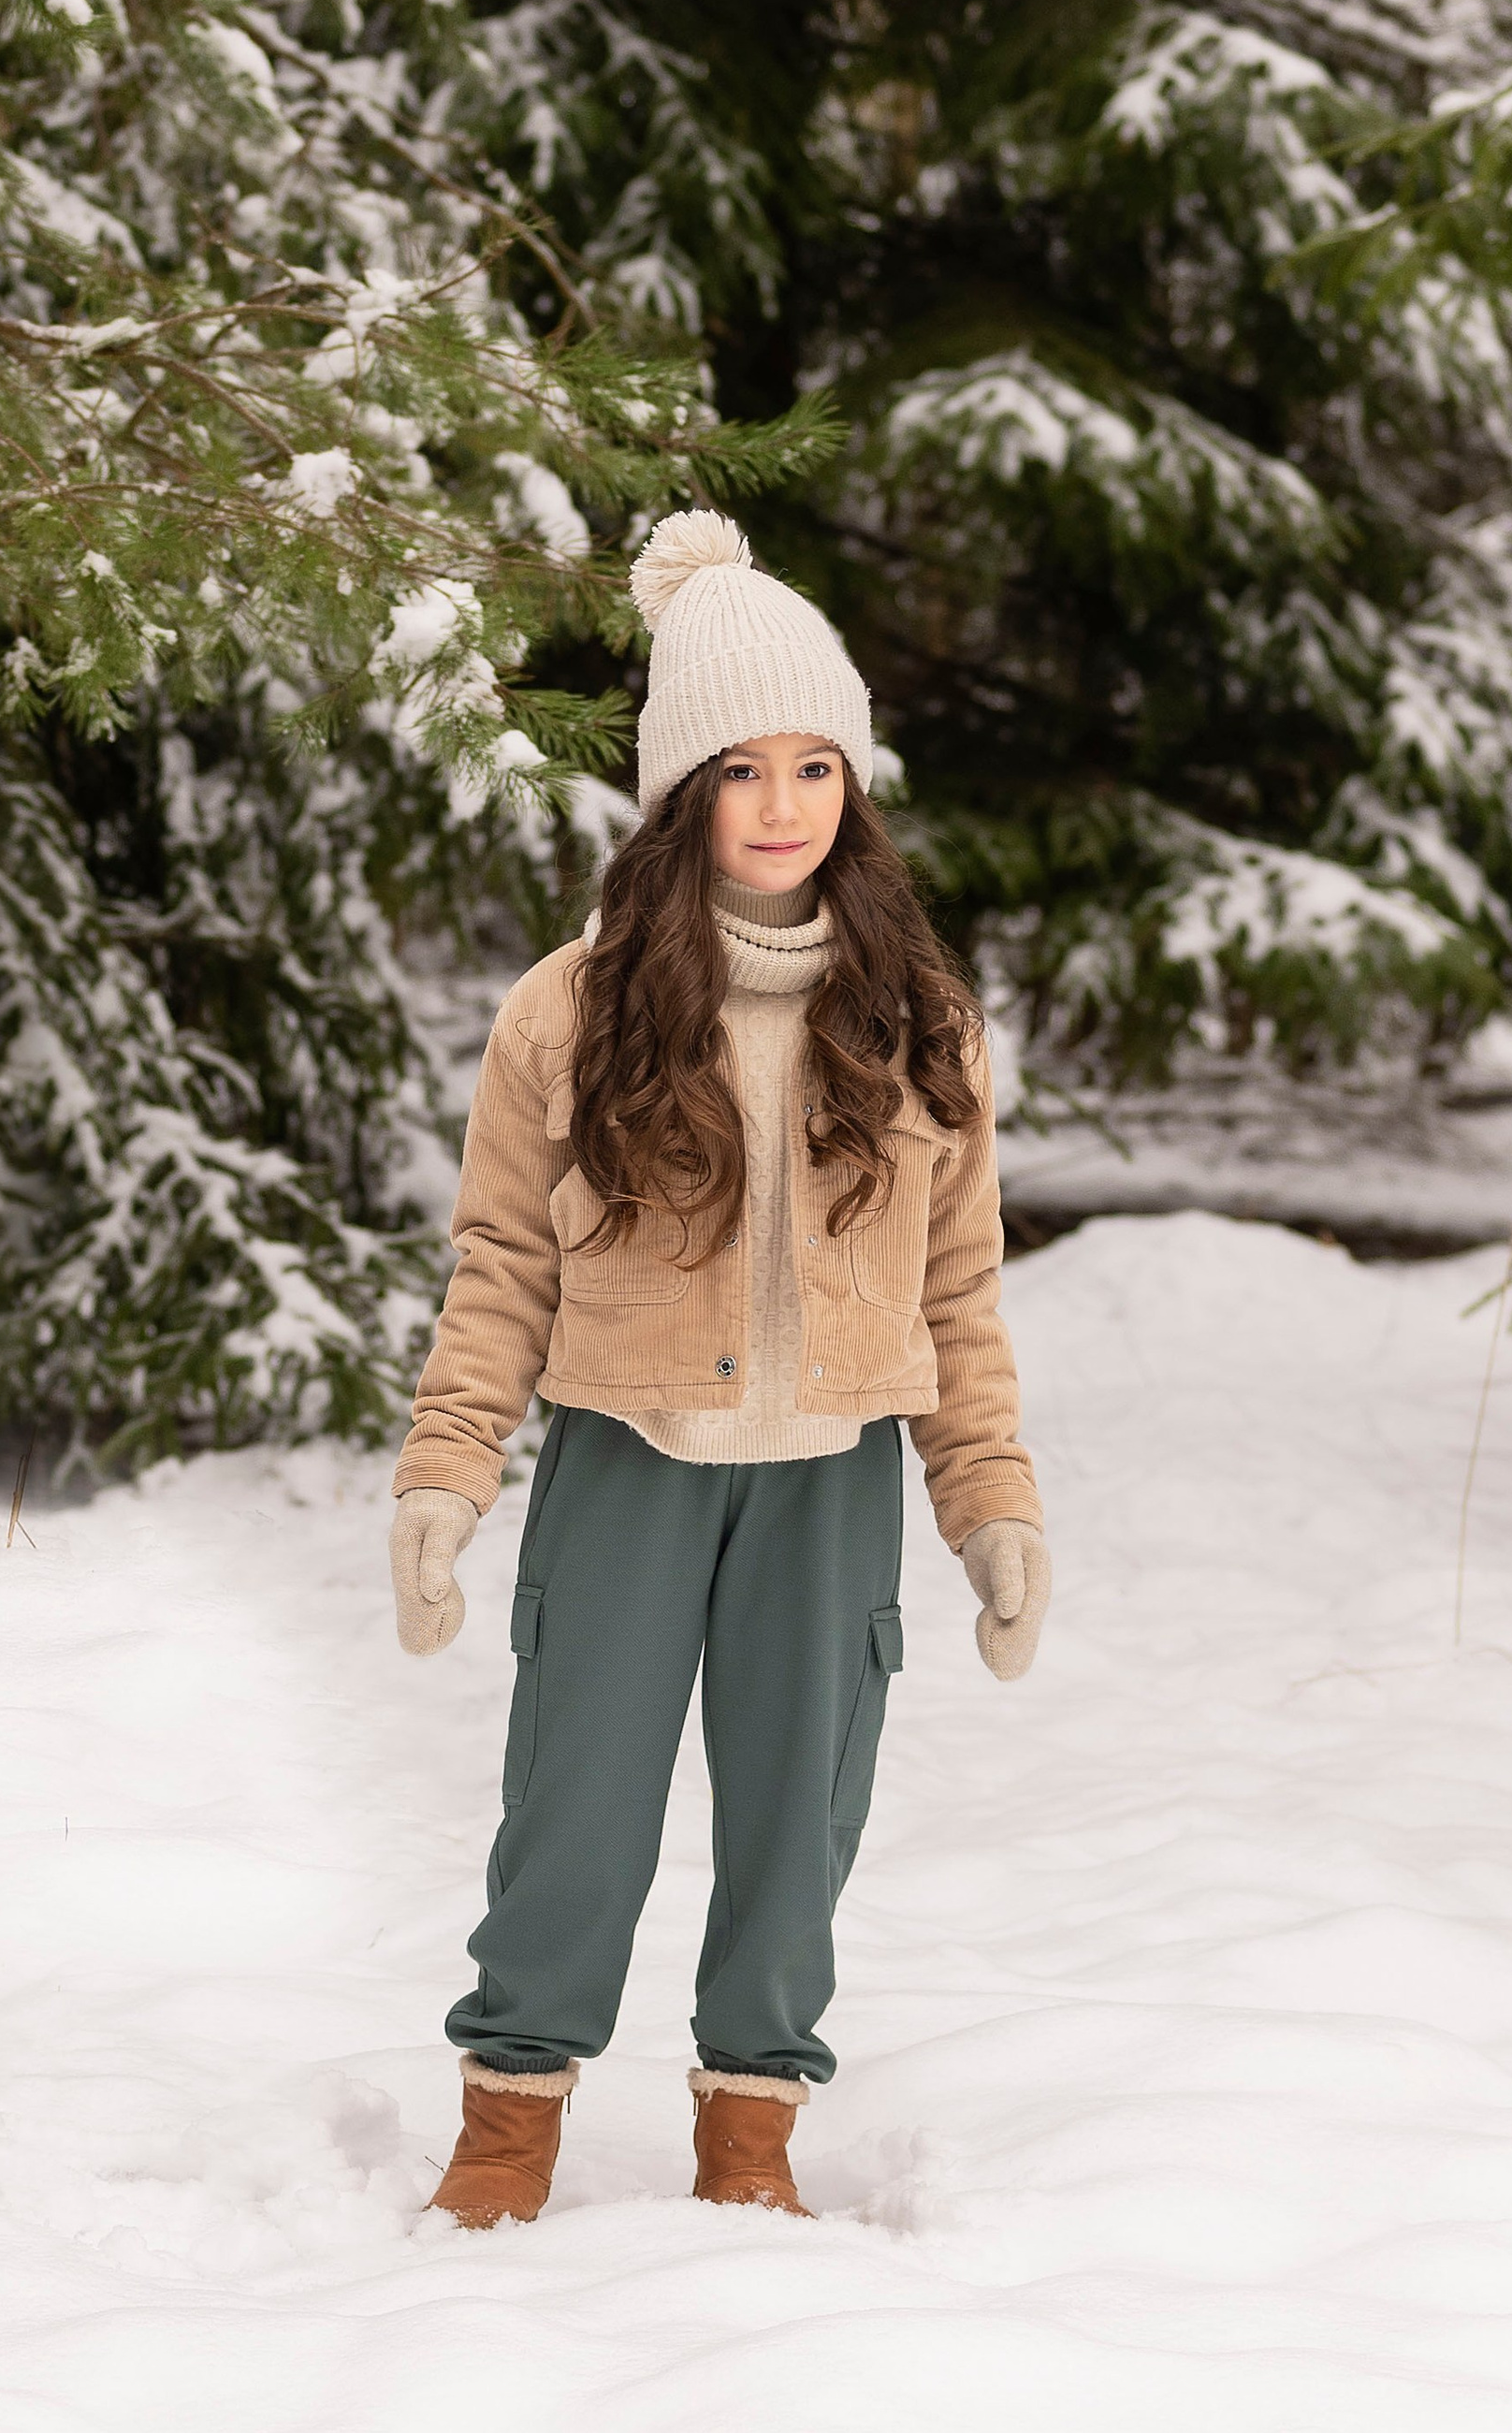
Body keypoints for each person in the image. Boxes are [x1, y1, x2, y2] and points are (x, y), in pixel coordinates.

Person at [388, 508, 1049, 2228]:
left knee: (795, 1826)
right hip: (627, 1460)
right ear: (685, 797)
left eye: (816, 766)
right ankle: (506, 2127)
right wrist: (448, 1472)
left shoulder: (924, 1021)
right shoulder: (570, 1010)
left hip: (831, 1476)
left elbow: (961, 1291)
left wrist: (990, 1502)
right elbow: (504, 1264)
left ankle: (750, 2142)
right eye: (742, 770)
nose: (781, 806)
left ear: (854, 784)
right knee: (573, 1814)